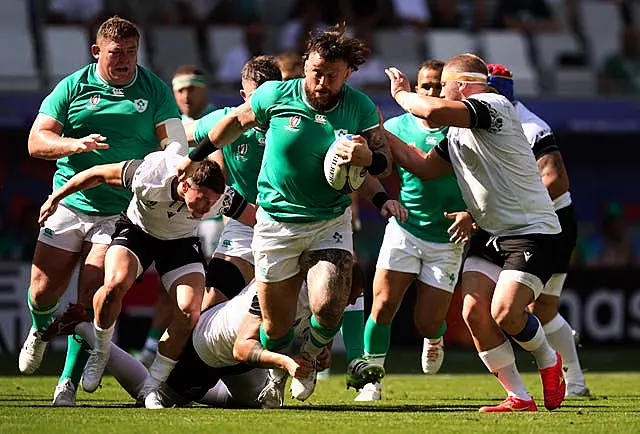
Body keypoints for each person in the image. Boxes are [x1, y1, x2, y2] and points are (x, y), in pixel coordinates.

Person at [178, 25, 393, 401]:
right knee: (274, 328)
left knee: (329, 304)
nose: (321, 81)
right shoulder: (275, 95)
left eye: (331, 75)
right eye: (315, 71)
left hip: (329, 220)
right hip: (275, 225)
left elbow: (384, 163)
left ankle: (310, 357)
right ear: (306, 65)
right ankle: (278, 370)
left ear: (348, 74)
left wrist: (368, 158)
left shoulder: (359, 106)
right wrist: (193, 157)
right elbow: (232, 123)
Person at [19, 16, 189, 408]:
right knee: (42, 291)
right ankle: (41, 329)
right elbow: (36, 141)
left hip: (119, 211)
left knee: (92, 295)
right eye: (116, 52)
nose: (125, 60)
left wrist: (169, 160)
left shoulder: (154, 89)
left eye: (131, 52)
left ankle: (67, 384)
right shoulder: (73, 86)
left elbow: (175, 141)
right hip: (69, 201)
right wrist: (74, 146)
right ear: (97, 52)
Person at [385, 53, 566, 412]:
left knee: (505, 313)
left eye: (443, 86)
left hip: (530, 230)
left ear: (462, 85)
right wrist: (379, 130)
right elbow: (422, 166)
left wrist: (400, 96)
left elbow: (432, 112)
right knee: (472, 314)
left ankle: (549, 361)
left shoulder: (491, 104)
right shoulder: (456, 130)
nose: (438, 92)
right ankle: (519, 396)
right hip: (490, 232)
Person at [37, 150, 256, 408]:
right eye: (204, 200)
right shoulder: (150, 173)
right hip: (137, 232)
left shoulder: (223, 198)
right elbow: (97, 173)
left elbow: (257, 220)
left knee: (189, 312)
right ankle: (100, 350)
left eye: (213, 202)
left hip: (180, 243)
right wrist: (56, 198)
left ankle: (153, 387)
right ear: (185, 185)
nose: (209, 207)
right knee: (114, 286)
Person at [41, 271, 333, 409]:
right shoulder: (271, 290)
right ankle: (83, 327)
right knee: (151, 397)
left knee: (256, 402)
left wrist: (319, 351)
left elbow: (296, 332)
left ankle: (194, 391)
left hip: (233, 354)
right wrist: (288, 363)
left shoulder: (321, 297)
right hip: (206, 349)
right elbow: (243, 348)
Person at [358, 60, 473, 401]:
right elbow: (381, 168)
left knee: (426, 322)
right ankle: (370, 381)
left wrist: (471, 214)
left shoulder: (464, 131)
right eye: (426, 86)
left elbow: (489, 184)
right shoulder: (396, 125)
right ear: (416, 90)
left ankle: (434, 336)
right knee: (382, 305)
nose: (432, 93)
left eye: (439, 87)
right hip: (405, 229)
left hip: (447, 238)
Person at [487, 63, 590, 397]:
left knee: (538, 309)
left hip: (552, 223)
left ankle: (571, 379)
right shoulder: (497, 120)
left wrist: (513, 207)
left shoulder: (530, 127)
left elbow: (556, 180)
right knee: (541, 309)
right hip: (531, 223)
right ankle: (574, 379)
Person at [135, 64, 220, 367]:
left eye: (190, 88)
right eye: (179, 90)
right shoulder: (171, 125)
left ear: (204, 89)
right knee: (167, 284)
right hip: (173, 218)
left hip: (213, 219)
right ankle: (151, 344)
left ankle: (205, 345)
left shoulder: (217, 121)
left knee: (212, 287)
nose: (185, 95)